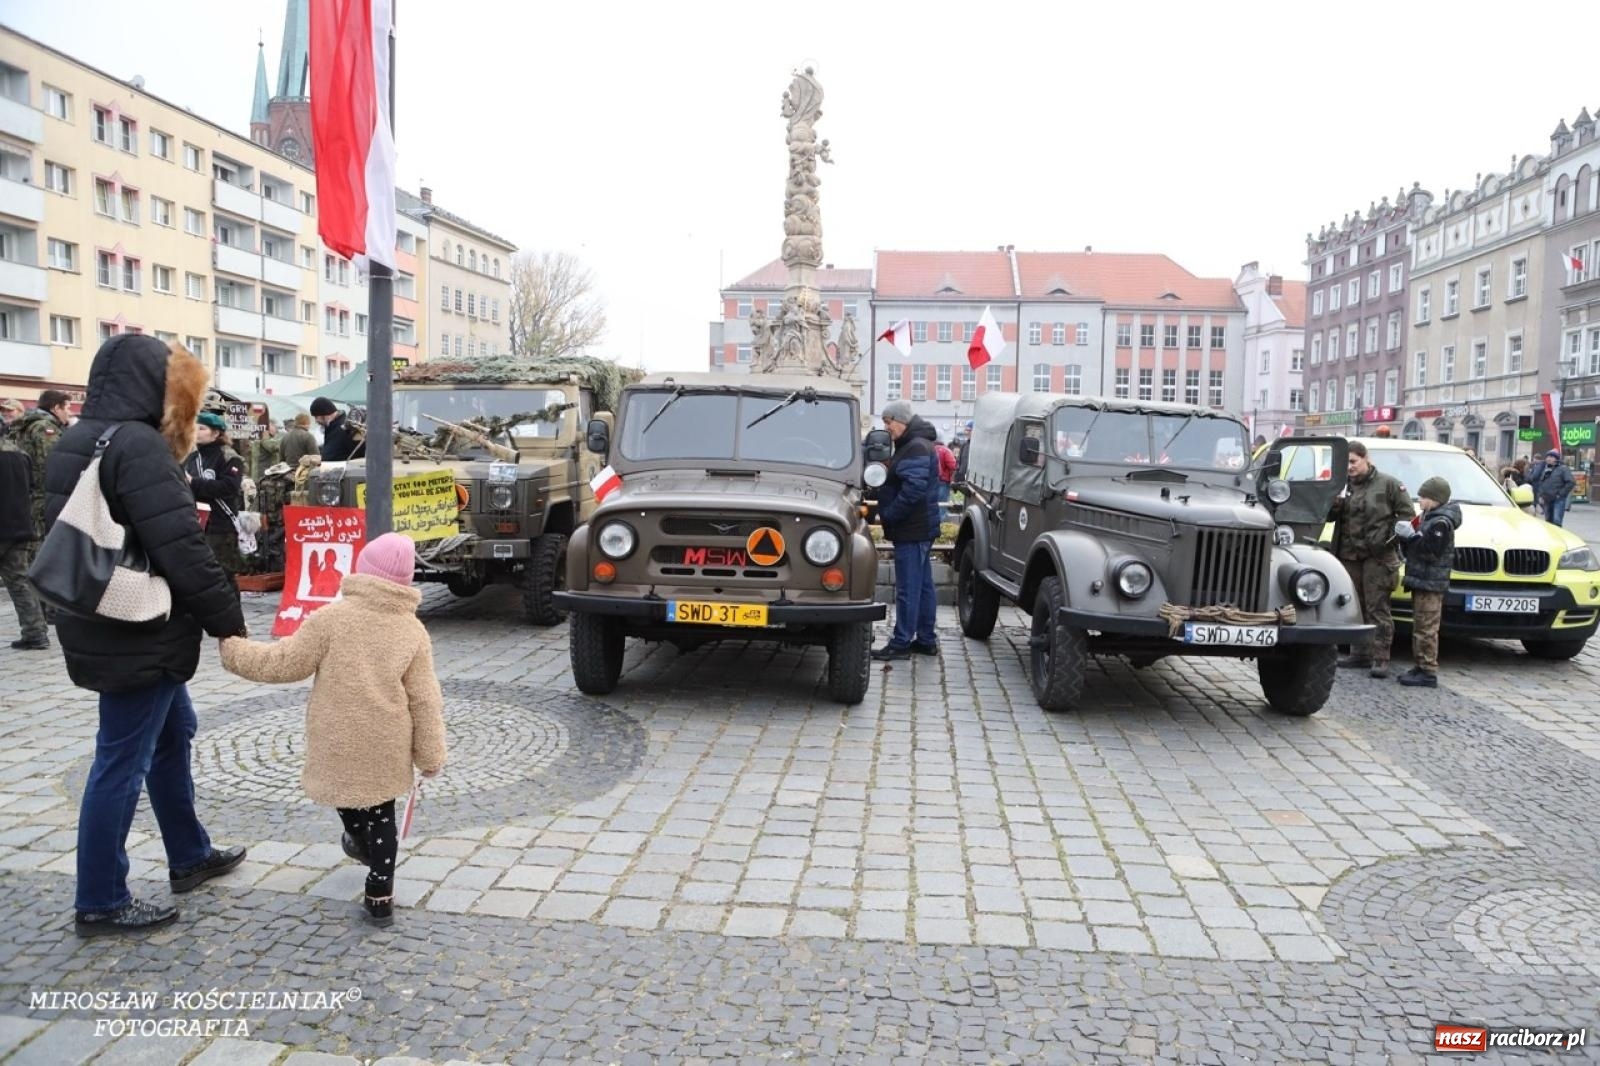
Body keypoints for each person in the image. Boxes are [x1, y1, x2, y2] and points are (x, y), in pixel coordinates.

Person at [42, 335, 248, 936]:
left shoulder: (77, 438)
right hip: (139, 624)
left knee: (173, 730)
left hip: (98, 613)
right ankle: (101, 899)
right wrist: (227, 620)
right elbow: (180, 547)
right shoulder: (139, 446)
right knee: (120, 760)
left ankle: (188, 854)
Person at [220, 533, 447, 927]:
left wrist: (233, 649)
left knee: (347, 798)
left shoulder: (330, 619)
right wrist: (430, 754)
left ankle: (356, 841)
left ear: (364, 572)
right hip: (386, 741)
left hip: (336, 738)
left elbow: (282, 662)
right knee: (381, 813)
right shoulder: (412, 632)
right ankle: (380, 892)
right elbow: (425, 699)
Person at [1329, 440, 1413, 678]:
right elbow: (1329, 516)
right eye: (1345, 463)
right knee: (1355, 606)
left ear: (1366, 459)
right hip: (1349, 554)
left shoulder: (1388, 484)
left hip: (1378, 557)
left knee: (1378, 608)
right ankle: (1359, 653)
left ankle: (1380, 657)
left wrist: (1389, 538)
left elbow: (1407, 516)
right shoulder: (1343, 485)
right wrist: (1335, 501)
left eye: (1353, 462)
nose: (1349, 467)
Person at [871, 400, 941, 661]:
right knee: (922, 587)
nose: (886, 428)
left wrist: (889, 514)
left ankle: (901, 642)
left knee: (908, 589)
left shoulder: (915, 447)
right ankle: (925, 639)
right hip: (920, 528)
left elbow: (913, 489)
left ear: (901, 421)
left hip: (912, 529)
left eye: (889, 423)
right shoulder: (917, 444)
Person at [1393, 477, 1460, 688]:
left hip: (1430, 582)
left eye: (1424, 497)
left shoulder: (1441, 522)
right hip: (1422, 579)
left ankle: (1428, 670)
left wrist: (1411, 537)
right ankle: (1420, 665)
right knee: (1420, 626)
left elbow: (1430, 552)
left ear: (1435, 499)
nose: (1420, 501)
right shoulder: (1428, 517)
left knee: (1427, 628)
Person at [0, 425, 48, 649]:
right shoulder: (21, 454)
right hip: (19, 526)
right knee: (20, 582)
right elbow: (31, 486)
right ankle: (36, 633)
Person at [186, 413, 247, 578]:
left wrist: (194, 482)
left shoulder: (229, 457)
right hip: (197, 523)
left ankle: (230, 604)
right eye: (194, 428)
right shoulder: (192, 457)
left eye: (202, 428)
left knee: (222, 575)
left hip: (221, 524)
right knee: (201, 575)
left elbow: (230, 487)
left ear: (216, 433)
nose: (196, 432)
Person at [311, 396, 363, 462]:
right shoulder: (332, 428)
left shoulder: (346, 428)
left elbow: (334, 454)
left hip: (345, 470)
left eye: (316, 417)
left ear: (325, 414)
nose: (316, 421)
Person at [1533, 449, 1575, 526]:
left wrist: (1560, 494)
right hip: (1547, 499)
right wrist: (1540, 496)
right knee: (1548, 521)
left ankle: (1558, 537)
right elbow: (1541, 483)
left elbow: (1571, 482)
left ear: (1556, 458)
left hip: (1558, 500)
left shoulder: (1563, 469)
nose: (1548, 458)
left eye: (1551, 457)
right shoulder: (1545, 469)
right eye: (1548, 456)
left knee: (1557, 521)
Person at [933, 439, 957, 505]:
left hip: (930, 482)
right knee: (942, 506)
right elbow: (953, 466)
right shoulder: (946, 450)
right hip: (942, 482)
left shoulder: (927, 448)